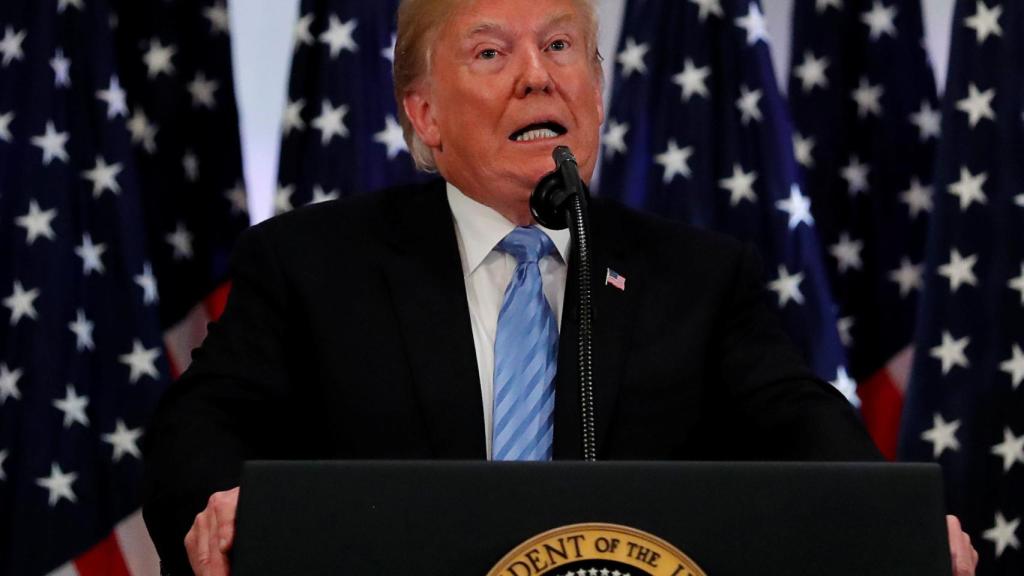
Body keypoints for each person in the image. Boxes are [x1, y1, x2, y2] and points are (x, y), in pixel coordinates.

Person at [141, 0, 979, 575]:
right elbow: (197, 425)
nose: (537, 77)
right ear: (424, 113)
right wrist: (221, 505)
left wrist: (892, 523)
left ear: (596, 89)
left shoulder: (698, 277)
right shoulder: (313, 264)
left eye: (560, 46)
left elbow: (804, 423)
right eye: (491, 52)